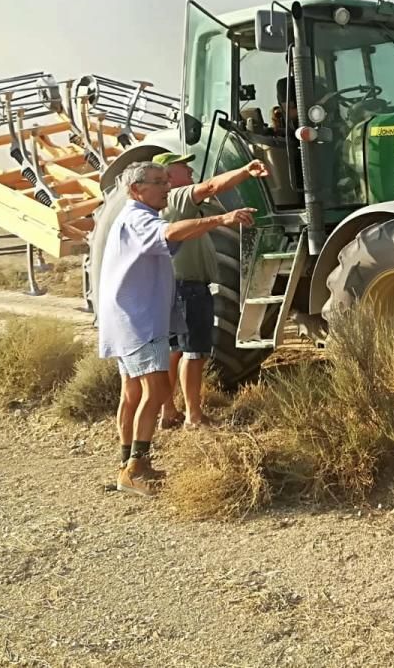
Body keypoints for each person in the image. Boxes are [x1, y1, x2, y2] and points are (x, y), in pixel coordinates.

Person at [98, 161, 255, 496]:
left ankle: (126, 464)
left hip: (127, 318)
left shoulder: (135, 216)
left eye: (167, 180)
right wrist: (222, 219)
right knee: (155, 392)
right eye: (158, 182)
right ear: (136, 189)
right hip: (139, 320)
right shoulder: (139, 218)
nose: (166, 187)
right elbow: (169, 233)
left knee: (133, 394)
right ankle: (136, 470)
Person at [154, 152, 269, 429]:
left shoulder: (166, 203)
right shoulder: (179, 195)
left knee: (174, 350)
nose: (191, 169)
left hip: (173, 286)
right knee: (194, 352)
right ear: (169, 174)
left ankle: (168, 411)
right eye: (184, 166)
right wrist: (245, 170)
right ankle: (194, 416)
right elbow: (211, 187)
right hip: (189, 288)